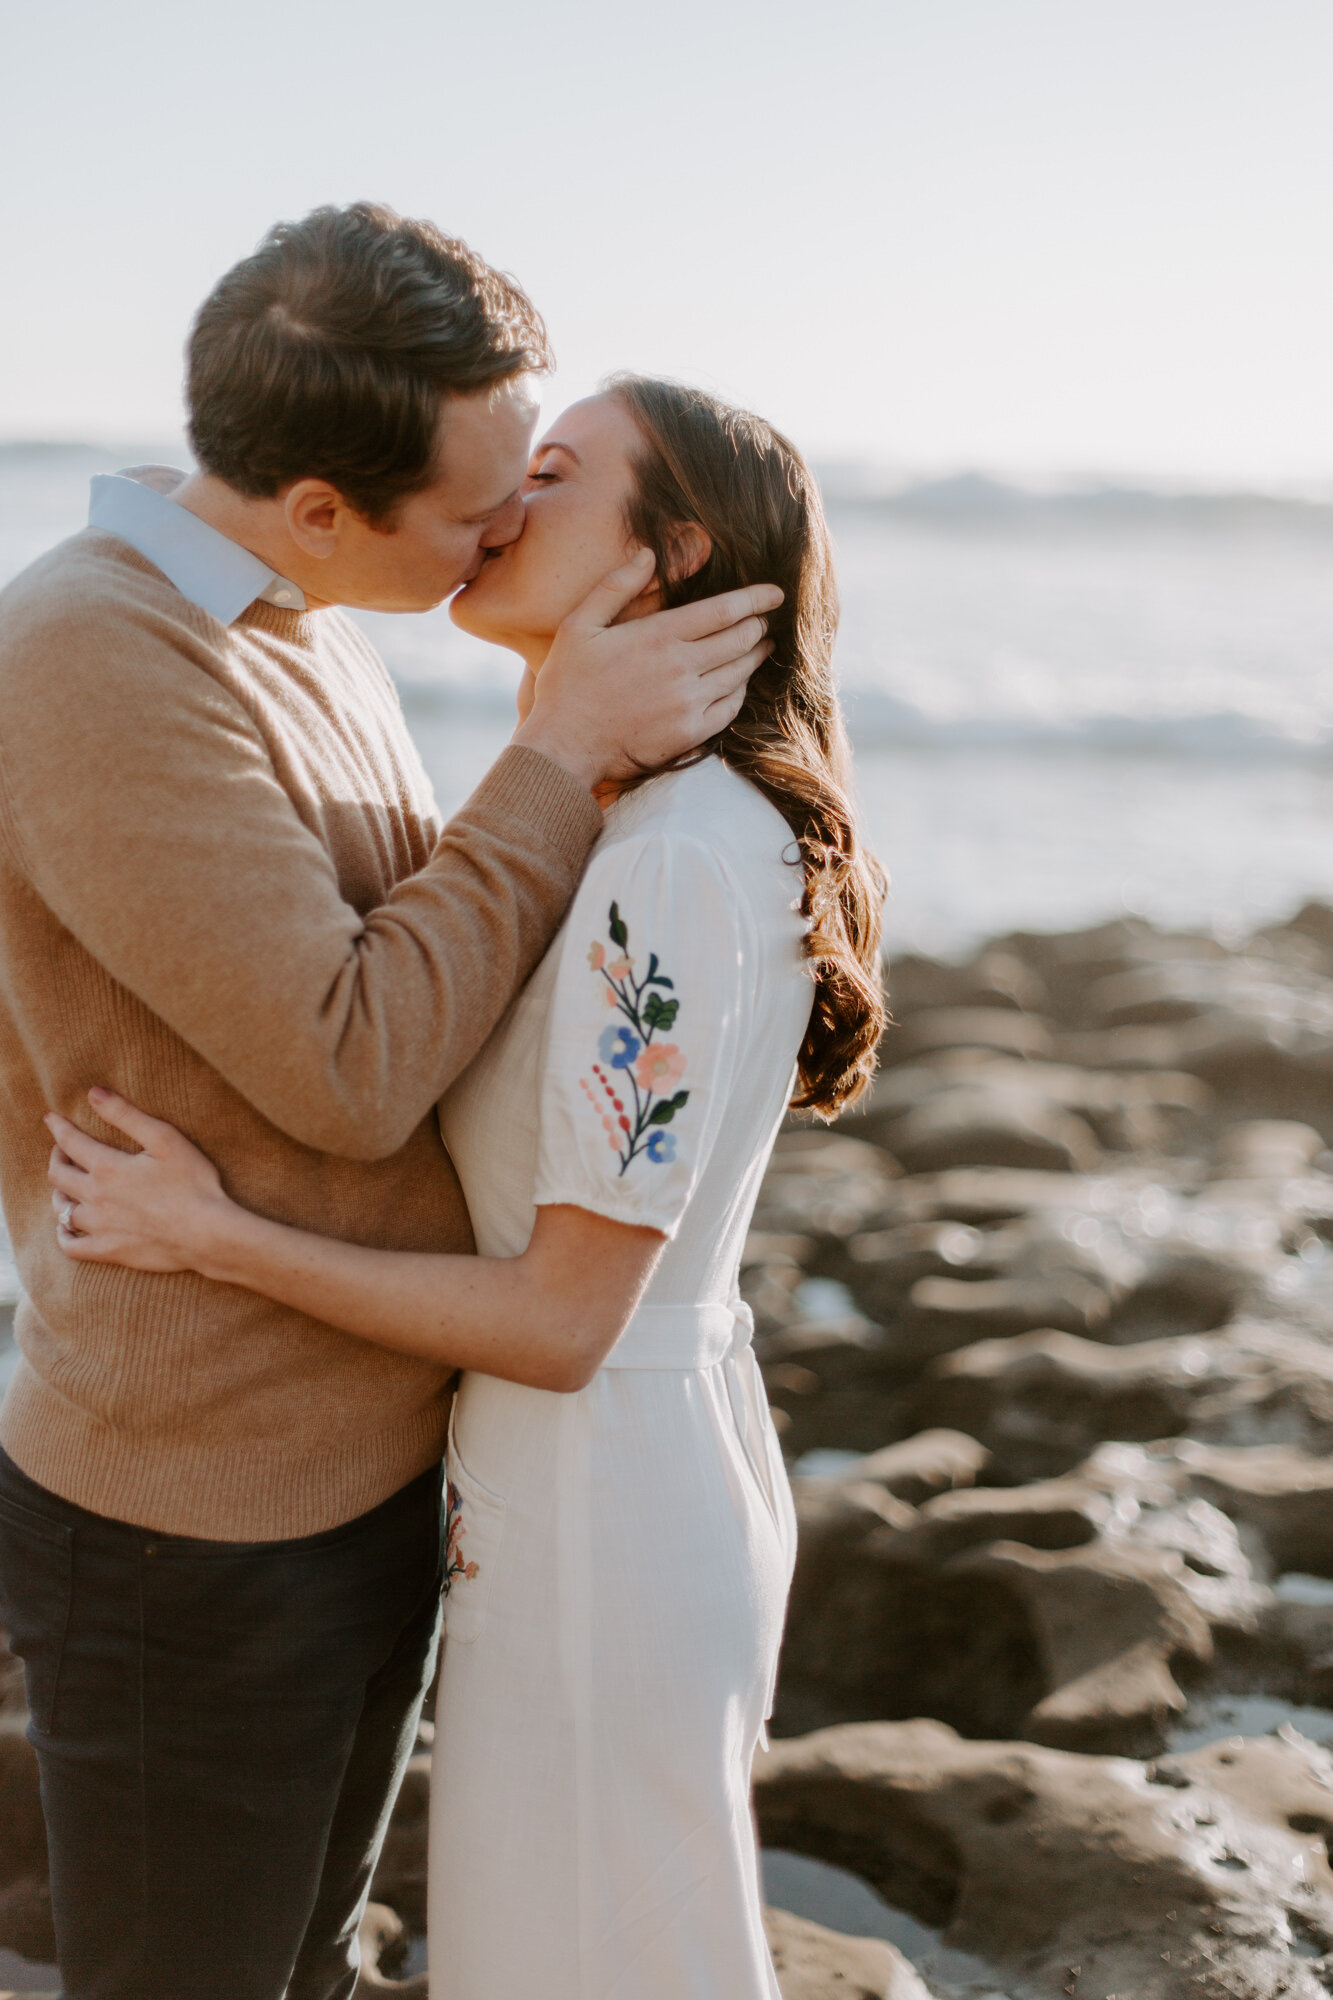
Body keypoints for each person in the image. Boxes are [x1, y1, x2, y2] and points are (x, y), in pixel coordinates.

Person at [0, 205, 779, 2000]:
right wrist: (559, 756)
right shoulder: (97, 660)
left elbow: (439, 955)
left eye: (533, 482)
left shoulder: (302, 613)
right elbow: (354, 1066)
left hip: (362, 1460)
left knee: (308, 1968)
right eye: (476, 508)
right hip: (190, 1504)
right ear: (324, 504)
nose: (508, 529)